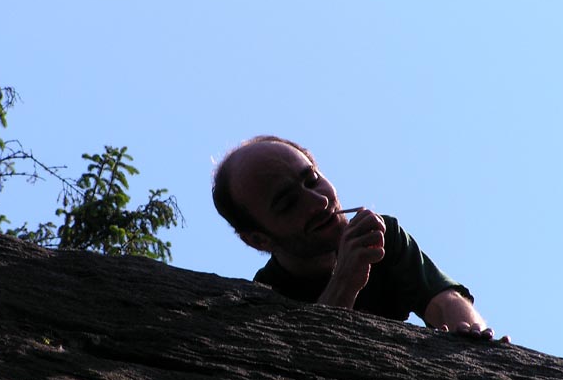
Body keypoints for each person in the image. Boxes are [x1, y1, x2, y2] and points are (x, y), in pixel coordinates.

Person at [212, 135, 508, 342]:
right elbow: (306, 357)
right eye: (288, 203)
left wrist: (472, 335)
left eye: (312, 180)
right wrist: (344, 283)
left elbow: (444, 301)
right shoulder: (262, 298)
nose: (319, 202)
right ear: (258, 240)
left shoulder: (381, 238)